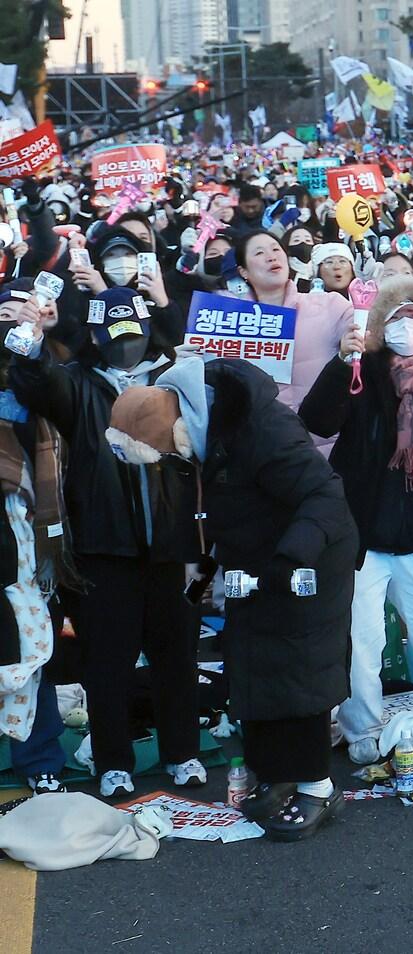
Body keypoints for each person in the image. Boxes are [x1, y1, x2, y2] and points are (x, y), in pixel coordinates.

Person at [104, 356, 357, 841]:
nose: (172, 461)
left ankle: (318, 786)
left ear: (180, 425)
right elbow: (210, 516)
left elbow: (323, 495)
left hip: (307, 555)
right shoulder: (203, 430)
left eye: (167, 453)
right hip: (255, 556)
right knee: (251, 659)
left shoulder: (259, 425)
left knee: (298, 663)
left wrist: (292, 559)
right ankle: (279, 775)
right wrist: (199, 582)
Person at [10, 286, 205, 799]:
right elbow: (37, 384)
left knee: (175, 655)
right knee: (107, 662)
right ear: (96, 335)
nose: (127, 345)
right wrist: (29, 345)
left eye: (134, 333)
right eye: (115, 336)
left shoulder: (175, 376)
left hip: (171, 543)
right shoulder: (77, 381)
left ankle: (182, 752)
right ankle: (113, 760)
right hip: (102, 544)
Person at [299, 275, 413, 765]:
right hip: (361, 533)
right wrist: (343, 365)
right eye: (398, 318)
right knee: (361, 637)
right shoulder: (364, 369)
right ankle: (361, 725)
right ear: (381, 324)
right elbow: (318, 420)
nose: (409, 328)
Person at [0, 283, 71, 795]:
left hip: (27, 522)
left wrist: (34, 341)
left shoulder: (45, 364)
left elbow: (51, 391)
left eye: (21, 310)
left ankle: (40, 757)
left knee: (32, 641)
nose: (12, 320)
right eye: (4, 311)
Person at [229, 231, 353, 442]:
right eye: (259, 253)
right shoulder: (229, 323)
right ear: (243, 271)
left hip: (328, 448)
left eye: (276, 249)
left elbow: (370, 332)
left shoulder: (330, 305)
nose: (271, 256)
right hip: (266, 451)